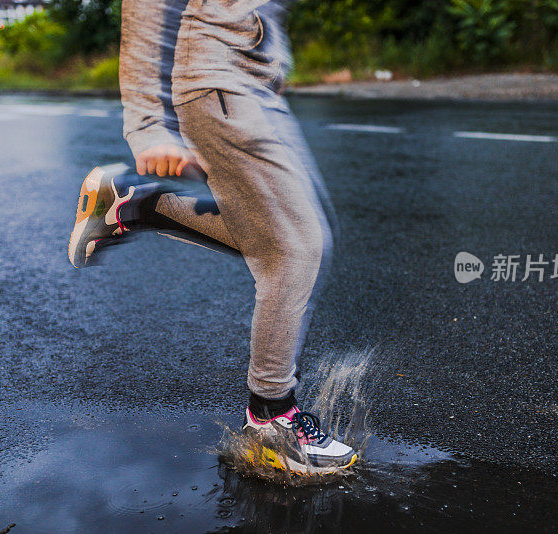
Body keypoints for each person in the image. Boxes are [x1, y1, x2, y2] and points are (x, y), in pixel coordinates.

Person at [67, 0, 356, 474]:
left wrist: (269, 62)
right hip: (215, 80)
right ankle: (271, 423)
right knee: (295, 248)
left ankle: (134, 204)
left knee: (282, 240)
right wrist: (146, 123)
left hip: (252, 85)